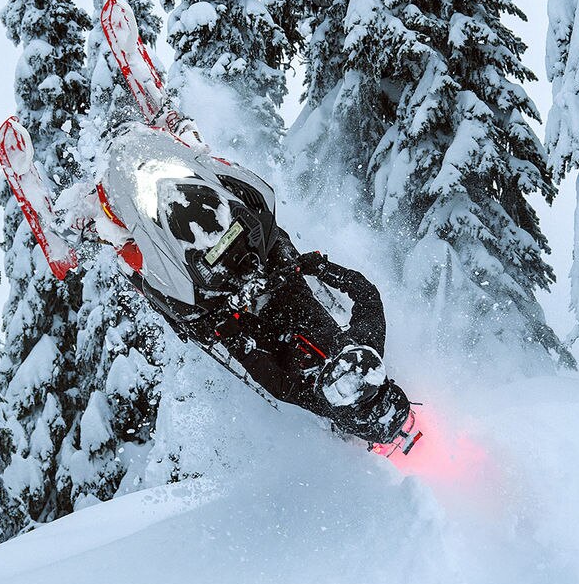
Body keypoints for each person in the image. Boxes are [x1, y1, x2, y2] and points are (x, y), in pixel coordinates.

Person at [55, 115, 413, 446]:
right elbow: (368, 295)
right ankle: (193, 151)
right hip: (279, 274)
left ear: (339, 408)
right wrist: (320, 268)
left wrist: (228, 326)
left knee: (181, 307)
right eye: (363, 370)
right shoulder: (367, 341)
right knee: (259, 215)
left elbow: (256, 363)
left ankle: (108, 235)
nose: (347, 370)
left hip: (229, 306)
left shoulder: (297, 389)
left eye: (345, 388)